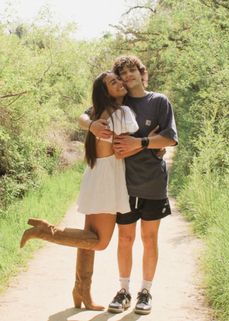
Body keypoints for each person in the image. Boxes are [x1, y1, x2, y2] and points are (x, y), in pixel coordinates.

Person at [20, 71, 139, 311]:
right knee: (100, 242)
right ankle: (45, 231)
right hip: (107, 179)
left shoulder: (98, 112)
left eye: (118, 80)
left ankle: (81, 291)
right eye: (114, 82)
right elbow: (122, 149)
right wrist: (147, 145)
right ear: (106, 92)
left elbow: (85, 119)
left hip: (96, 175)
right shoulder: (121, 112)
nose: (120, 83)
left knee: (88, 238)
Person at [78, 55, 178, 315]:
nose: (128, 75)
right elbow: (84, 116)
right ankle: (123, 290)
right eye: (122, 73)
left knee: (149, 237)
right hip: (124, 184)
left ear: (140, 71)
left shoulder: (158, 101)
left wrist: (141, 142)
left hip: (154, 182)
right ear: (118, 80)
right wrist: (91, 126)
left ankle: (146, 292)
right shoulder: (116, 101)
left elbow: (169, 139)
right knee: (125, 238)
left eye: (132, 69)